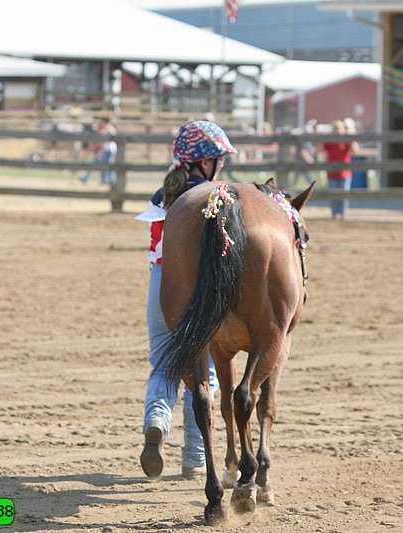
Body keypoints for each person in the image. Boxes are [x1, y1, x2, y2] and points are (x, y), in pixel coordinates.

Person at [135, 120, 236, 480]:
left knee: (163, 360)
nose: (221, 165)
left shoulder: (164, 194)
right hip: (201, 283)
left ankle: (157, 420)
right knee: (203, 371)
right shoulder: (212, 198)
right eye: (217, 159)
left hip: (161, 281)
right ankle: (194, 458)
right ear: (203, 162)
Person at [322, 120, 354, 220]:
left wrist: (352, 138)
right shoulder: (330, 141)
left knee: (344, 195)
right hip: (332, 173)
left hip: (345, 173)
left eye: (339, 128)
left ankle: (343, 214)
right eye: (335, 128)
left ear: (343, 129)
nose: (337, 131)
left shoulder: (346, 140)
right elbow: (319, 149)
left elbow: (355, 151)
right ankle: (334, 214)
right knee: (333, 195)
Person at [80, 118, 117, 185]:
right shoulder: (107, 128)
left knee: (106, 165)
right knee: (102, 165)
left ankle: (110, 180)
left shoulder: (108, 128)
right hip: (105, 149)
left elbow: (105, 139)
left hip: (108, 149)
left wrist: (97, 149)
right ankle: (106, 180)